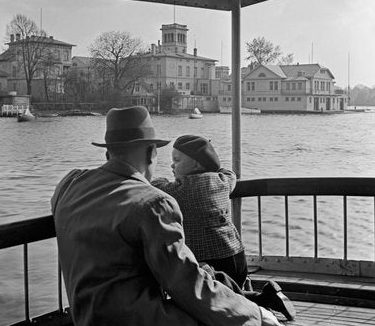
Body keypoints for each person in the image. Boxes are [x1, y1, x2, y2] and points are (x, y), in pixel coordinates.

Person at [51, 106, 282, 326]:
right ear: (152, 153)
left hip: (85, 318)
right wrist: (254, 314)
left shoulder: (69, 184)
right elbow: (187, 284)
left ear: (107, 153)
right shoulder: (154, 203)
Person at [152, 134, 296, 321]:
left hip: (208, 260)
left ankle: (264, 301)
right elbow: (229, 173)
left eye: (177, 161)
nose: (172, 166)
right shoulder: (221, 180)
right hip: (235, 254)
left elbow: (154, 185)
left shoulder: (178, 190)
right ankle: (267, 298)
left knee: (218, 303)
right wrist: (210, 161)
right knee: (233, 295)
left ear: (196, 164)